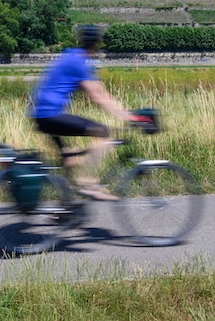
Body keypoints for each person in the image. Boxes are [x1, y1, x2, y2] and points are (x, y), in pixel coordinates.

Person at [30, 25, 142, 200]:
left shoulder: (70, 55)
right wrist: (130, 116)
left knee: (69, 158)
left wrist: (123, 112)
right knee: (103, 132)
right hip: (50, 115)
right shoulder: (78, 63)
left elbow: (97, 91)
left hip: (41, 114)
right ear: (96, 45)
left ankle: (64, 210)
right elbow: (98, 96)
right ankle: (89, 183)